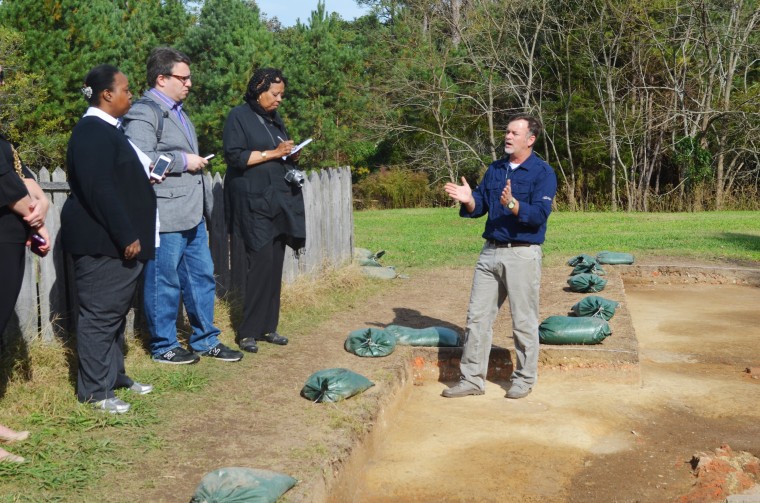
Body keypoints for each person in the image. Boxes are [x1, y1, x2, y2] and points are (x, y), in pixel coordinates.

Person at [124, 47, 242, 364]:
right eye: (183, 77)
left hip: (191, 213)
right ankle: (163, 345)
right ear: (161, 78)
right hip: (163, 213)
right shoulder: (143, 113)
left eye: (189, 78)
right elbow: (140, 160)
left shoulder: (178, 111)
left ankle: (205, 340)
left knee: (201, 278)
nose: (189, 83)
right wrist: (182, 160)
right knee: (164, 281)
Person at [61, 64, 156, 413]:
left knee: (114, 315)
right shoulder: (91, 132)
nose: (131, 95)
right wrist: (126, 233)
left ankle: (114, 377)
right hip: (103, 243)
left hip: (116, 243)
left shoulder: (109, 130)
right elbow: (98, 188)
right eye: (126, 89)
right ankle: (95, 393)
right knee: (99, 315)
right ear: (107, 94)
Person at [442, 114, 557, 399]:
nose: (507, 136)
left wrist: (514, 204)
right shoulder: (495, 169)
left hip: (522, 255)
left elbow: (539, 215)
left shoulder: (543, 173)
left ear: (530, 140)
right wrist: (469, 200)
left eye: (514, 133)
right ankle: (471, 380)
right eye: (507, 132)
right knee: (477, 319)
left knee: (523, 321)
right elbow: (480, 204)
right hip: (489, 253)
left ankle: (524, 378)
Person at [222, 67, 306, 354]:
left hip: (277, 202)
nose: (279, 99)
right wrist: (274, 153)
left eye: (282, 94)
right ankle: (248, 332)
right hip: (252, 203)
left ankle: (269, 327)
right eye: (275, 94)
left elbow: (277, 152)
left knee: (273, 265)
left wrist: (291, 153)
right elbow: (234, 156)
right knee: (257, 265)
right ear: (258, 90)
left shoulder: (273, 119)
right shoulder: (239, 116)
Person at [0, 117, 50, 461]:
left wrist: (41, 202)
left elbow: (22, 172)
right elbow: (6, 183)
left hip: (10, 239)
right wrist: (32, 212)